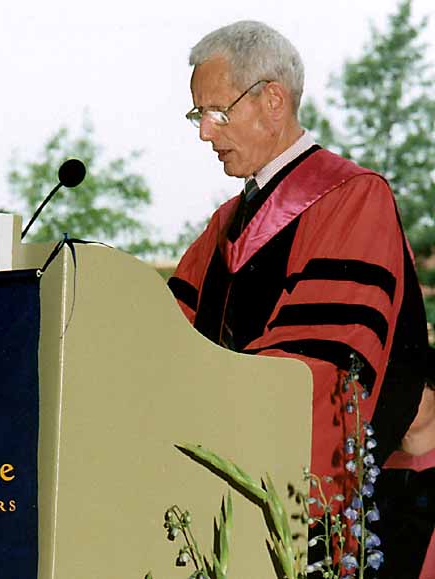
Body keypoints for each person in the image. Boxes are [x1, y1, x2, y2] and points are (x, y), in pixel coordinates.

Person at [168, 20, 435, 578]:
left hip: (317, 509)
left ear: (272, 100)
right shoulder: (225, 224)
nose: (204, 134)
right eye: (198, 116)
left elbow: (325, 366)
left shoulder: (352, 198)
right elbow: (167, 333)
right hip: (230, 486)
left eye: (216, 113)